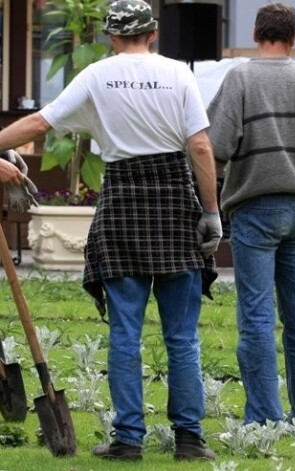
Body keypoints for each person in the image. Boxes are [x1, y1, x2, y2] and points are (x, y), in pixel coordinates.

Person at [0, 0, 221, 461]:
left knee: (125, 332)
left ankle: (128, 439)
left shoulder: (97, 75)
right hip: (175, 201)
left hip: (122, 201)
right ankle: (189, 439)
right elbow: (199, 145)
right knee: (181, 336)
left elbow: (40, 123)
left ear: (110, 36)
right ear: (153, 33)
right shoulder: (179, 74)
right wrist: (212, 212)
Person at [206, 3, 295, 425]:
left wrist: (208, 204)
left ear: (256, 32)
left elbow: (216, 148)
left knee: (257, 318)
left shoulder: (241, 79)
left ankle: (265, 417)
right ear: (294, 38)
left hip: (254, 209)